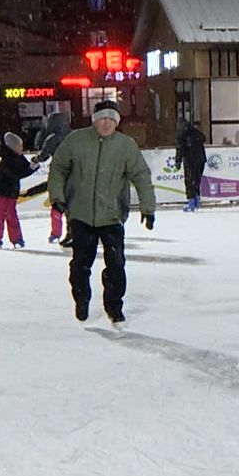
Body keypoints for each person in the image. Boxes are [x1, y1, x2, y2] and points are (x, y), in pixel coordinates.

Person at [46, 101, 158, 327]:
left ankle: (114, 308)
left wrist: (148, 207)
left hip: (112, 215)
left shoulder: (125, 145)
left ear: (117, 122)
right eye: (102, 118)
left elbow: (141, 176)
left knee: (116, 265)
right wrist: (58, 197)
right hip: (81, 214)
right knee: (80, 265)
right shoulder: (76, 141)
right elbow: (58, 168)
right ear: (94, 120)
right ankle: (82, 299)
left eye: (111, 119)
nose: (106, 123)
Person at [0, 132, 36, 249]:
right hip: (1, 189)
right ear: (13, 147)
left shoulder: (19, 157)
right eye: (20, 146)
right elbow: (16, 174)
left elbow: (25, 168)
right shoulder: (6, 160)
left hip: (11, 190)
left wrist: (33, 165)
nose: (22, 149)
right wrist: (31, 170)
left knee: (11, 214)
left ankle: (17, 239)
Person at [39, 110, 71, 244]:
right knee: (73, 205)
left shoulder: (52, 138)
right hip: (75, 174)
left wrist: (36, 159)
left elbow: (44, 155)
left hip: (58, 174)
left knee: (57, 205)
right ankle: (73, 231)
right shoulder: (74, 136)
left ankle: (56, 233)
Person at [176, 118, 207, 212]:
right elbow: (203, 138)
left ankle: (191, 203)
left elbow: (180, 148)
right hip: (200, 159)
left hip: (190, 160)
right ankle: (197, 200)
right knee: (196, 180)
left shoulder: (182, 135)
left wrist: (178, 160)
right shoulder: (196, 133)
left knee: (190, 181)